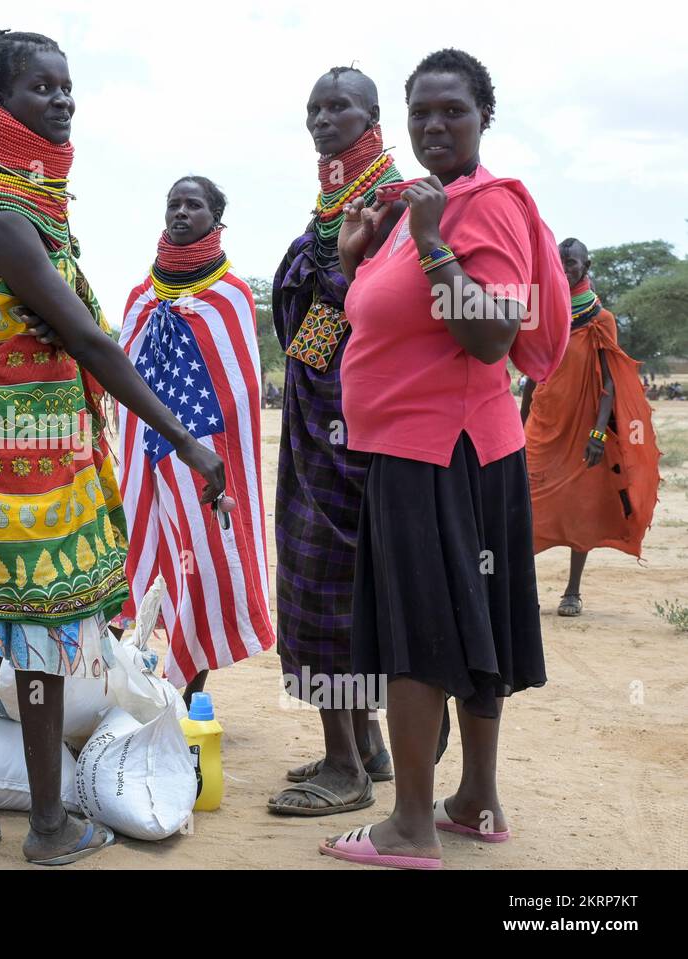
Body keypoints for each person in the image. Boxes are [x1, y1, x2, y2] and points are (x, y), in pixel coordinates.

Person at [0, 30, 223, 866]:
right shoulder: (7, 221)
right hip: (17, 467)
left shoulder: (14, 211)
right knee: (39, 626)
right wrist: (187, 443)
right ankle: (47, 825)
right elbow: (90, 341)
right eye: (40, 88)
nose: (61, 101)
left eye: (67, 87)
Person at [320, 49, 569, 869]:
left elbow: (492, 332)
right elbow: (359, 328)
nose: (435, 124)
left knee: (418, 633)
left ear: (483, 116)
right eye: (421, 111)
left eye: (452, 110)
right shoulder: (408, 210)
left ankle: (412, 823)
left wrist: (427, 242)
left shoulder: (469, 208)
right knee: (466, 621)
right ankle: (474, 800)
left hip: (437, 452)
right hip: (423, 444)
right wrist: (362, 257)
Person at [268, 67, 404, 818]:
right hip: (325, 420)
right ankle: (367, 742)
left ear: (373, 117)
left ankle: (346, 766)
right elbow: (321, 331)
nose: (323, 119)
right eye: (314, 108)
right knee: (345, 580)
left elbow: (376, 314)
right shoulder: (339, 208)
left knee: (330, 582)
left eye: (339, 107)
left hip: (361, 426)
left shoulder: (388, 204)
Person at [117, 176, 276, 706]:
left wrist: (204, 443)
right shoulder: (142, 295)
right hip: (143, 447)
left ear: (217, 218)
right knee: (133, 546)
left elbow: (239, 387)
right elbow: (121, 371)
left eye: (194, 205)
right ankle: (117, 688)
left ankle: (188, 693)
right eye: (174, 204)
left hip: (205, 449)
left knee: (202, 553)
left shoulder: (230, 295)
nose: (181, 212)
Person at [521, 239, 660, 616]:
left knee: (580, 506)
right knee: (525, 508)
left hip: (585, 429)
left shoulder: (601, 320)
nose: (565, 268)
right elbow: (533, 368)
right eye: (560, 262)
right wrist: (519, 425)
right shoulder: (543, 310)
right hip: (543, 421)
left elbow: (611, 381)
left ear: (587, 265)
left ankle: (572, 591)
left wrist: (599, 433)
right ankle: (522, 591)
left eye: (573, 263)